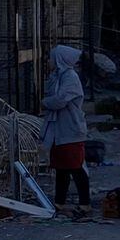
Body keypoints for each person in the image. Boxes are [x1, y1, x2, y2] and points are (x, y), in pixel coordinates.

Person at [40, 44, 90, 212]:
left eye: (50, 58)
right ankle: (59, 201)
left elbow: (60, 100)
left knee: (75, 166)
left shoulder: (70, 78)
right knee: (61, 167)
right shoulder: (58, 76)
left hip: (70, 129)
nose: (48, 61)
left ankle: (85, 203)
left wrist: (45, 103)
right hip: (59, 130)